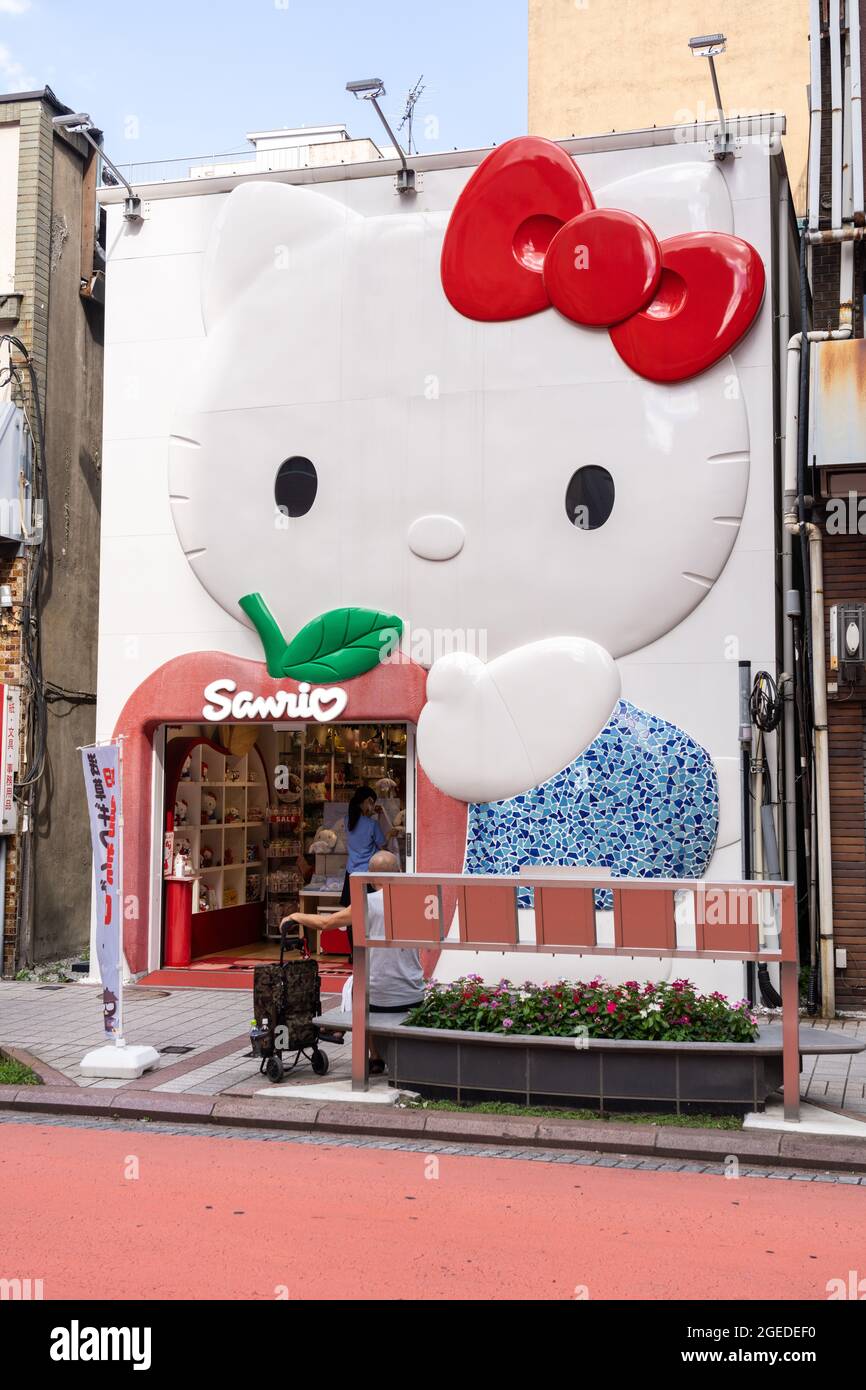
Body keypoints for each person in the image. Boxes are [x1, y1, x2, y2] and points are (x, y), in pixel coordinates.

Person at [283, 850, 425, 1074]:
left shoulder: (367, 903)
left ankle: (374, 1056)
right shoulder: (417, 900)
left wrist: (295, 917)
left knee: (354, 986)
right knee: (362, 983)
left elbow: (326, 923)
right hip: (414, 993)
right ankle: (369, 1048)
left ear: (371, 876)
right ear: (398, 872)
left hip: (379, 997)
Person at [340, 785, 398, 909]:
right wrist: (389, 834)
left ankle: (352, 930)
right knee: (368, 911)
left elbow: (360, 824)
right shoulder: (372, 825)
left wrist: (370, 813)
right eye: (372, 803)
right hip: (367, 873)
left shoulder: (347, 821)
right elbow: (383, 845)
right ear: (369, 801)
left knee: (352, 911)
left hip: (351, 872)